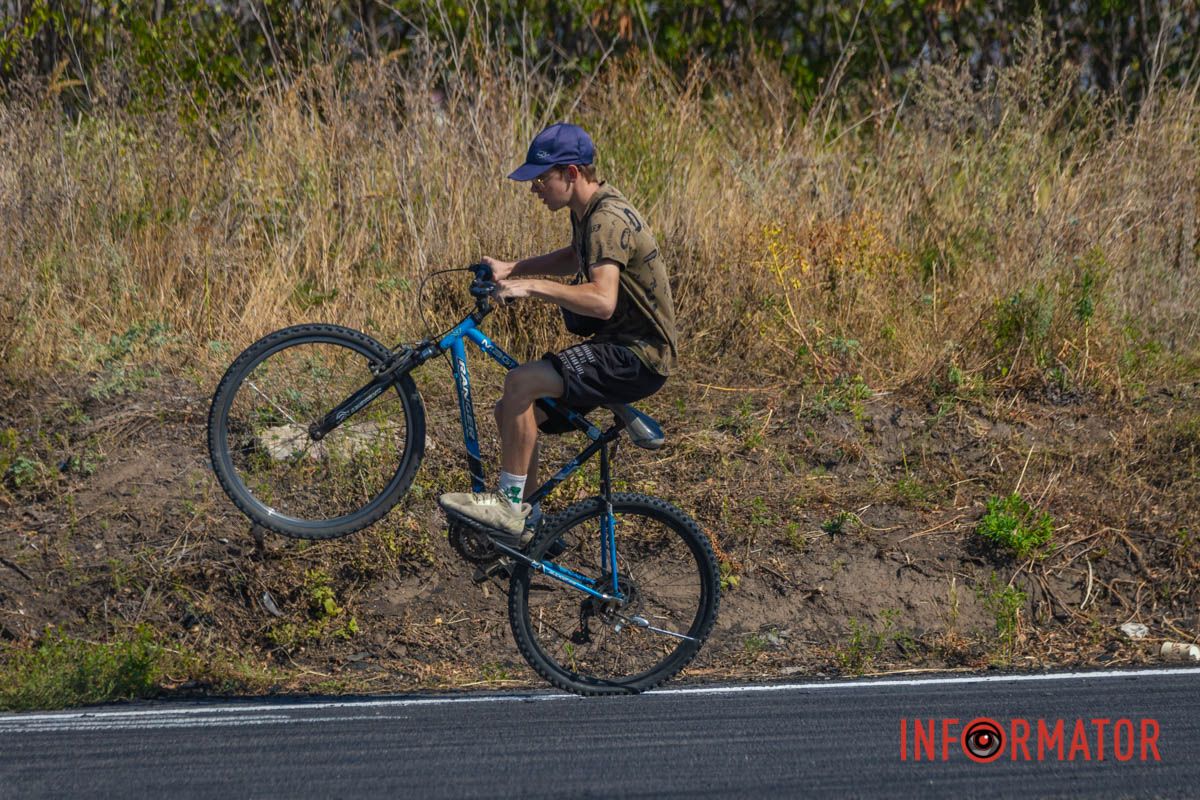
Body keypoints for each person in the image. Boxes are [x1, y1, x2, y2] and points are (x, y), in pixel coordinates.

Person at [438, 122, 677, 545]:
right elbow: (573, 257)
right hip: (619, 347)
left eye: (541, 178)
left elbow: (602, 299)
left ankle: (510, 508)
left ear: (571, 173)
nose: (534, 188)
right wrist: (514, 268)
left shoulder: (607, 218)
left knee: (520, 382)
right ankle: (529, 526)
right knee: (512, 410)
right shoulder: (587, 210)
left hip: (637, 355)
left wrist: (529, 288)